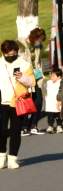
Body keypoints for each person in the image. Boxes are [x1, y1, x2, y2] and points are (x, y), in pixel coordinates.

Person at [0, 40, 35, 170]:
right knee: (1, 130)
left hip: (18, 102)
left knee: (15, 131)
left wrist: (22, 78)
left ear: (16, 51)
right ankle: (1, 156)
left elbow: (32, 82)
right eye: (7, 54)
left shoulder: (24, 64)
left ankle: (12, 158)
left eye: (12, 53)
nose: (10, 56)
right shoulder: (0, 63)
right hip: (2, 102)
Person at [20, 28, 47, 136]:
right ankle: (23, 127)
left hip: (36, 78)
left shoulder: (38, 47)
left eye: (41, 40)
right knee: (26, 103)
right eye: (39, 40)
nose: (39, 42)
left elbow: (38, 61)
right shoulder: (21, 45)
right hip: (24, 79)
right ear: (33, 37)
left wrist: (41, 73)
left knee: (39, 101)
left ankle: (33, 125)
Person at [44, 68, 63, 133]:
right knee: (50, 115)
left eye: (53, 75)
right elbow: (45, 90)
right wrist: (46, 97)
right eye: (51, 75)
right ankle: (50, 126)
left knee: (58, 115)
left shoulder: (61, 82)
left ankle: (59, 126)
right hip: (50, 102)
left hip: (58, 102)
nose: (51, 77)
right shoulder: (48, 82)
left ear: (59, 77)